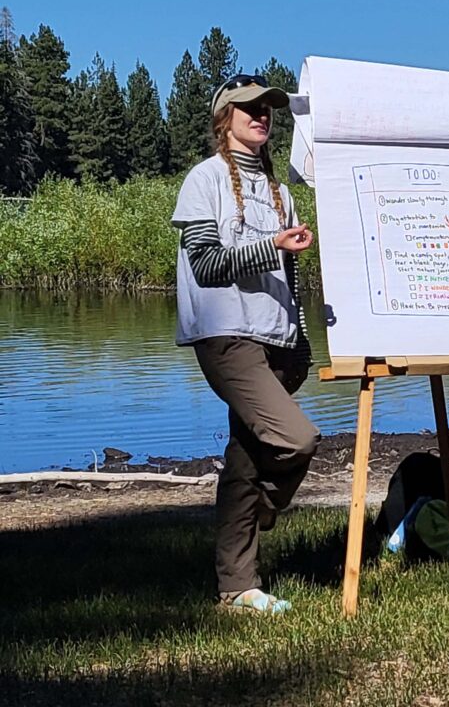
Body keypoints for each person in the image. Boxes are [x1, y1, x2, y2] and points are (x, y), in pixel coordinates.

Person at [172, 74, 319, 612]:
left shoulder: (282, 194)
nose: (261, 114)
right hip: (227, 337)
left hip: (278, 342)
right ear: (224, 118)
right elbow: (207, 266)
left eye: (268, 108)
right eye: (249, 107)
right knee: (297, 439)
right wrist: (270, 245)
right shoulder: (204, 180)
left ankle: (237, 586)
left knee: (247, 457)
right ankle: (253, 519)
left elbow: (289, 283)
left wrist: (302, 339)